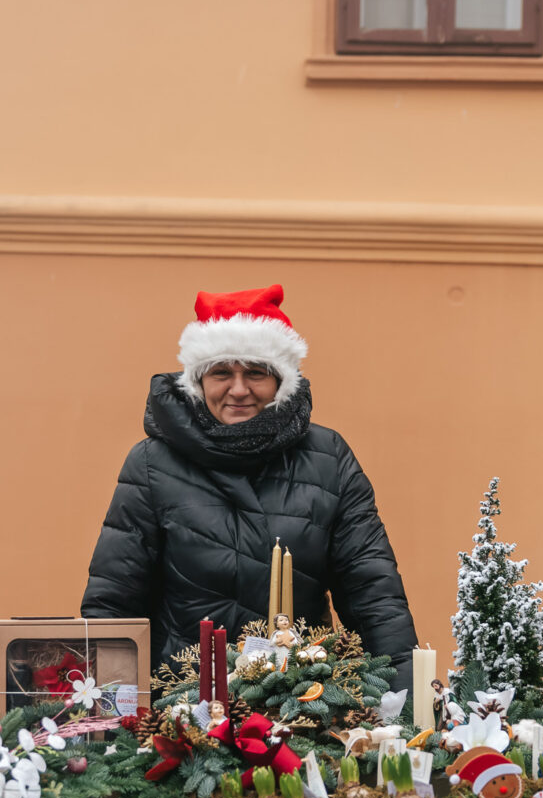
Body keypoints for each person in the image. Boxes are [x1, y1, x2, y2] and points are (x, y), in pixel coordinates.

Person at [82, 284, 418, 688]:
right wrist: (109, 717)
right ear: (197, 380)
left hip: (301, 701)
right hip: (182, 707)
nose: (238, 390)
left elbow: (373, 593)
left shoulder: (329, 458)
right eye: (222, 372)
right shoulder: (152, 464)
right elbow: (114, 602)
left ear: (281, 381)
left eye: (255, 373)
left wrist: (407, 700)